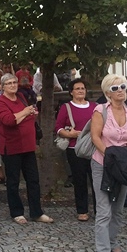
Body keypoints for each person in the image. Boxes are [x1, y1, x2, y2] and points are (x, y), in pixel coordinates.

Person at [90, 74, 127, 252]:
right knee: (104, 210)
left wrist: (125, 156)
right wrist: (110, 156)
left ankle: (113, 242)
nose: (121, 90)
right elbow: (95, 136)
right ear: (108, 92)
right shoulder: (100, 111)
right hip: (103, 164)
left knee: (118, 208)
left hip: (122, 167)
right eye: (116, 87)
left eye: (123, 86)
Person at [0, 73, 53, 225]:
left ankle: (36, 212)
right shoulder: (0, 102)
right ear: (3, 86)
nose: (13, 85)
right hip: (11, 146)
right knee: (13, 181)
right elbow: (9, 121)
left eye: (14, 82)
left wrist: (27, 114)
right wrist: (25, 112)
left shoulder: (21, 96)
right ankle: (16, 212)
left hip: (27, 145)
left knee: (33, 180)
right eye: (9, 83)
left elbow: (24, 118)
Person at [55, 79, 97, 221]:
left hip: (94, 148)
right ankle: (82, 210)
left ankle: (100, 210)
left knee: (96, 180)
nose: (80, 90)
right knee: (79, 180)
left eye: (83, 88)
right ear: (71, 92)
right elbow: (58, 127)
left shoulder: (95, 107)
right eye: (77, 88)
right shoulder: (66, 107)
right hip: (75, 148)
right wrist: (69, 134)